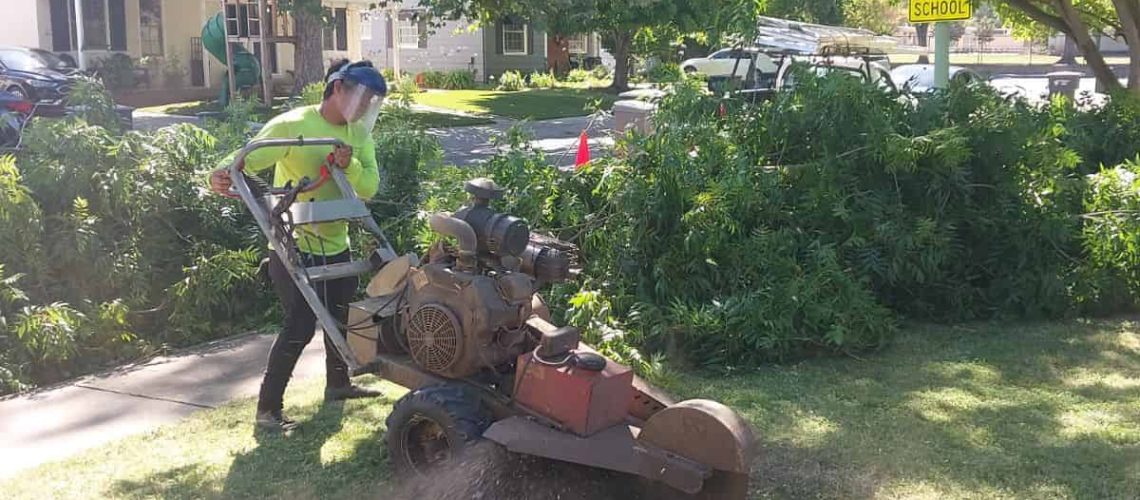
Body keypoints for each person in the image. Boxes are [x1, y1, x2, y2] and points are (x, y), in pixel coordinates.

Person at [207, 59, 388, 431]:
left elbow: (368, 188)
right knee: (301, 325)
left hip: (336, 241)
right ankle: (267, 410)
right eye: (364, 97)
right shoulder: (295, 124)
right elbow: (248, 156)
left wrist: (348, 165)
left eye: (373, 100)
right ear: (338, 89)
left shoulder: (360, 136)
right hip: (292, 243)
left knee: (340, 315)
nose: (368, 106)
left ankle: (338, 385)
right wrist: (223, 173)